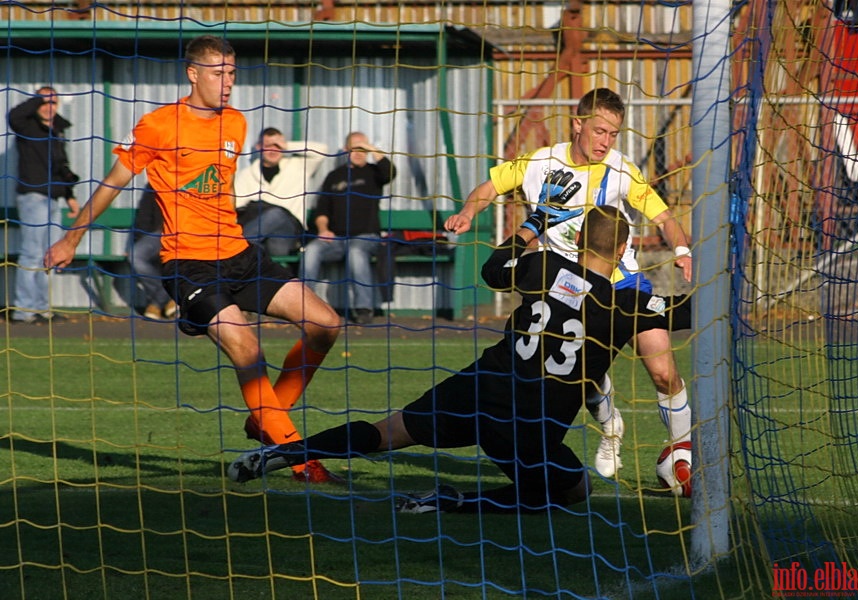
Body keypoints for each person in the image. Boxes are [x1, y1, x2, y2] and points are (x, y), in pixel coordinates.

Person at [227, 205, 692, 513]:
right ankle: (452, 502)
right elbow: (684, 312)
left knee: (390, 431)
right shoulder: (623, 305)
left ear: (578, 239)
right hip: (529, 422)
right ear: (625, 249)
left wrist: (533, 223)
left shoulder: (543, 264)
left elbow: (493, 270)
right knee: (573, 490)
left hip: (482, 384)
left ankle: (279, 452)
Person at [44, 35, 343, 484]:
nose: (228, 82)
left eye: (233, 73)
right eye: (219, 73)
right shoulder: (158, 126)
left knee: (326, 325)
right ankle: (300, 460)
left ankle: (266, 415)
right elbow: (112, 184)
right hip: (188, 264)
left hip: (241, 256)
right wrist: (71, 239)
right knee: (247, 348)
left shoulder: (237, 124)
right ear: (193, 73)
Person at [443, 87, 694, 482]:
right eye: (599, 131)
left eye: (613, 134)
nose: (606, 141)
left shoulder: (623, 170)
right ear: (577, 125)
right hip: (567, 288)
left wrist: (682, 248)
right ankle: (611, 427)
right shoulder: (538, 163)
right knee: (578, 376)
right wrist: (468, 211)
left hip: (624, 283)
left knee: (662, 370)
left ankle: (684, 459)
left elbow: (663, 217)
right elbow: (489, 188)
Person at [303, 131, 395, 325]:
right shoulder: (334, 176)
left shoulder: (374, 173)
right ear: (346, 150)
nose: (359, 153)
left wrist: (371, 148)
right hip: (336, 239)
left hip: (366, 238)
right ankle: (303, 306)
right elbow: (322, 210)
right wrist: (323, 229)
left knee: (356, 252)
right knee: (311, 250)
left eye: (363, 149)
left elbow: (390, 171)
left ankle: (364, 309)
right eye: (355, 149)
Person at [7, 86, 80, 324]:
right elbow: (14, 115)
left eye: (53, 103)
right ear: (36, 104)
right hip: (33, 197)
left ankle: (42, 309)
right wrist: (40, 97)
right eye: (44, 103)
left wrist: (70, 195)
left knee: (49, 254)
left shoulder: (58, 130)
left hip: (53, 198)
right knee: (31, 253)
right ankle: (23, 311)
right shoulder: (26, 127)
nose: (49, 107)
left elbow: (62, 165)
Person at [232, 127, 329, 256]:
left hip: (288, 233)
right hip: (260, 235)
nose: (273, 150)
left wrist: (287, 145)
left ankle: (235, 248)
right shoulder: (247, 174)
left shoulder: (299, 165)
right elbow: (236, 204)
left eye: (277, 145)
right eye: (268, 146)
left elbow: (322, 150)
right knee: (257, 253)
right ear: (259, 147)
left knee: (276, 214)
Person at [128, 185, 177, 320]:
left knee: (181, 260)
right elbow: (144, 215)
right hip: (159, 234)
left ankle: (155, 304)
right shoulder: (155, 183)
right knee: (135, 256)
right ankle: (168, 298)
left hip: (187, 236)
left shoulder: (198, 182)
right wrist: (137, 240)